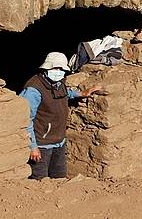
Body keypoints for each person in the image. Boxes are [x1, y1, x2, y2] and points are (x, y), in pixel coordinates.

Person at [20, 52, 99, 180]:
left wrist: (81, 94)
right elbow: (26, 119)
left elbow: (64, 93)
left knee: (59, 177)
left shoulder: (59, 83)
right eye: (56, 68)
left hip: (59, 142)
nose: (59, 71)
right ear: (46, 68)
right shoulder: (33, 89)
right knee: (40, 179)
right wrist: (33, 147)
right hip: (42, 145)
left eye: (62, 69)